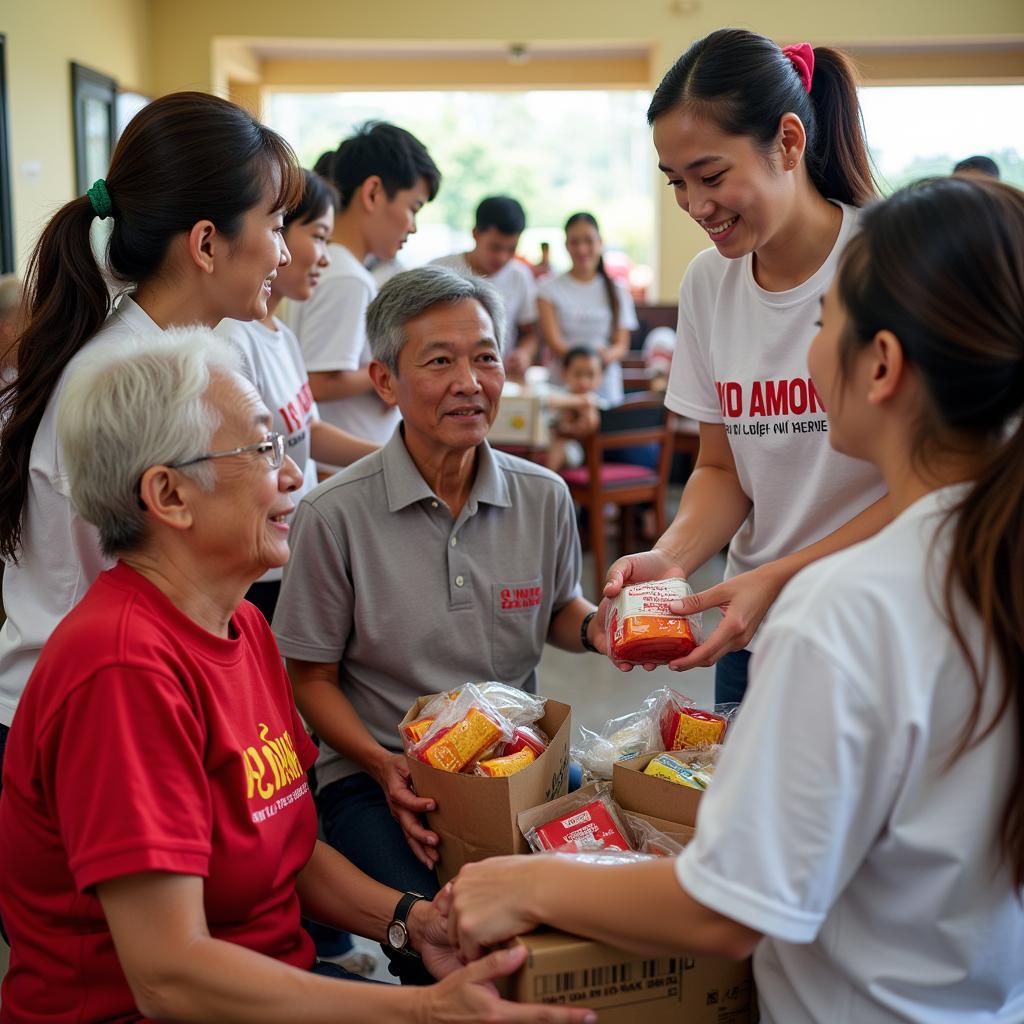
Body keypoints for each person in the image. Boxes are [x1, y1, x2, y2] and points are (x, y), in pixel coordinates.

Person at [444, 175, 1024, 1024]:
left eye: (825, 325)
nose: (810, 348)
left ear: (883, 365)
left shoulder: (845, 613)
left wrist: (522, 880)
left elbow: (728, 907)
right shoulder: (980, 556)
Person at [0, 329, 596, 1024]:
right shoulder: (122, 670)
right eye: (259, 450)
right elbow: (169, 977)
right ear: (168, 495)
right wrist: (425, 1011)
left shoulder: (241, 626)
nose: (291, 475)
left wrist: (413, 920)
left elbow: (287, 846)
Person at [272, 266, 604, 979]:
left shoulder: (542, 497)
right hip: (383, 776)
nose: (470, 381)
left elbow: (559, 611)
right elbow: (309, 677)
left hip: (519, 764)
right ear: (385, 381)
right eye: (440, 361)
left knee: (594, 915)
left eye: (485, 356)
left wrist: (601, 627)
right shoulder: (335, 516)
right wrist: (379, 761)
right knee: (451, 943)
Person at [0, 91, 303, 783]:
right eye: (276, 223)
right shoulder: (124, 380)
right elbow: (119, 592)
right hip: (80, 724)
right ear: (205, 243)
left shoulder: (173, 354)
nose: (283, 252)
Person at [604, 30, 889, 702]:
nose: (695, 206)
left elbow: (937, 485)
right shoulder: (710, 283)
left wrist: (782, 575)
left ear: (788, 143)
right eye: (676, 182)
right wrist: (670, 560)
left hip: (871, 626)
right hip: (750, 629)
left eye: (710, 175)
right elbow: (722, 467)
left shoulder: (887, 262)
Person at [217, 169, 379, 624]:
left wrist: (395, 458)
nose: (324, 259)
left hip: (291, 544)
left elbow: (307, 432)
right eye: (320, 237)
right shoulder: (233, 339)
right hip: (254, 561)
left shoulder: (281, 335)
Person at [290, 122, 441, 459]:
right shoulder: (347, 277)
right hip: (340, 467)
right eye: (413, 208)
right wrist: (392, 369)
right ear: (373, 192)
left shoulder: (337, 268)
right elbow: (318, 381)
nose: (413, 226)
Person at [431, 196, 539, 379]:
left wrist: (524, 354)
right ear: (475, 233)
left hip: (499, 379)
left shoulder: (520, 276)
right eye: (495, 247)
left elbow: (530, 333)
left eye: (511, 249)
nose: (502, 257)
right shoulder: (439, 271)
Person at [538, 212, 638, 406]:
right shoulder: (547, 288)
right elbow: (554, 341)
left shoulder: (618, 290)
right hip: (562, 387)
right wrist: (584, 366)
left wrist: (599, 362)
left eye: (588, 241)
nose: (582, 249)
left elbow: (621, 345)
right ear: (566, 245)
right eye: (575, 242)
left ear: (600, 243)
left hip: (605, 387)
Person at [544, 346, 602, 473]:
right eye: (578, 374)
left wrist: (566, 429)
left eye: (590, 375)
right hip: (546, 443)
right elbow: (548, 401)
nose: (584, 381)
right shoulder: (563, 394)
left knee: (559, 442)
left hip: (575, 452)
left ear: (600, 377)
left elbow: (589, 426)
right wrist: (582, 401)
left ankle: (548, 476)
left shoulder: (594, 401)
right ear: (564, 374)